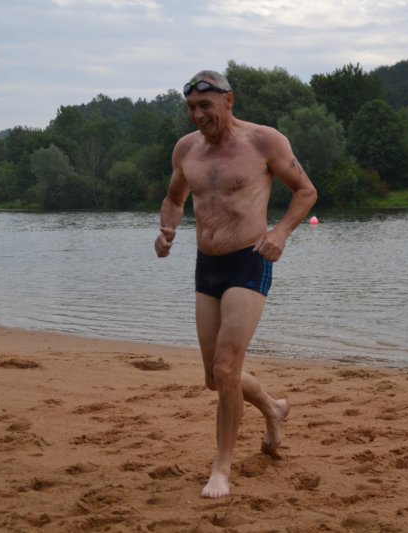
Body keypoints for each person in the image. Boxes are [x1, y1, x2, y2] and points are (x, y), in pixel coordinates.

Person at [154, 70, 317, 498]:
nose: (197, 115)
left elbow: (305, 191)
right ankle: (273, 408)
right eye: (191, 107)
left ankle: (221, 469)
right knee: (215, 376)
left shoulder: (264, 141)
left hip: (249, 260)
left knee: (227, 368)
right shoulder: (186, 149)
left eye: (205, 106)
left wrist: (280, 233)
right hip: (206, 265)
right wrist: (167, 230)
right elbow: (174, 198)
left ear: (229, 101)